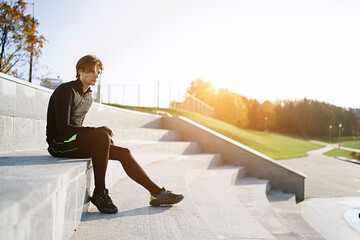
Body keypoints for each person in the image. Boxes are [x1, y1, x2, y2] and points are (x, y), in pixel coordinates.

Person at [46, 55, 184, 214]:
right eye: (91, 71)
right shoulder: (66, 90)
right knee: (102, 136)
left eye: (98, 72)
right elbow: (64, 129)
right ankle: (100, 193)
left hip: (73, 142)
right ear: (80, 71)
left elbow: (79, 127)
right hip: (59, 145)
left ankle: (157, 193)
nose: (96, 75)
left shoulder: (88, 96)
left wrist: (99, 139)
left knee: (124, 153)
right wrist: (98, 132)